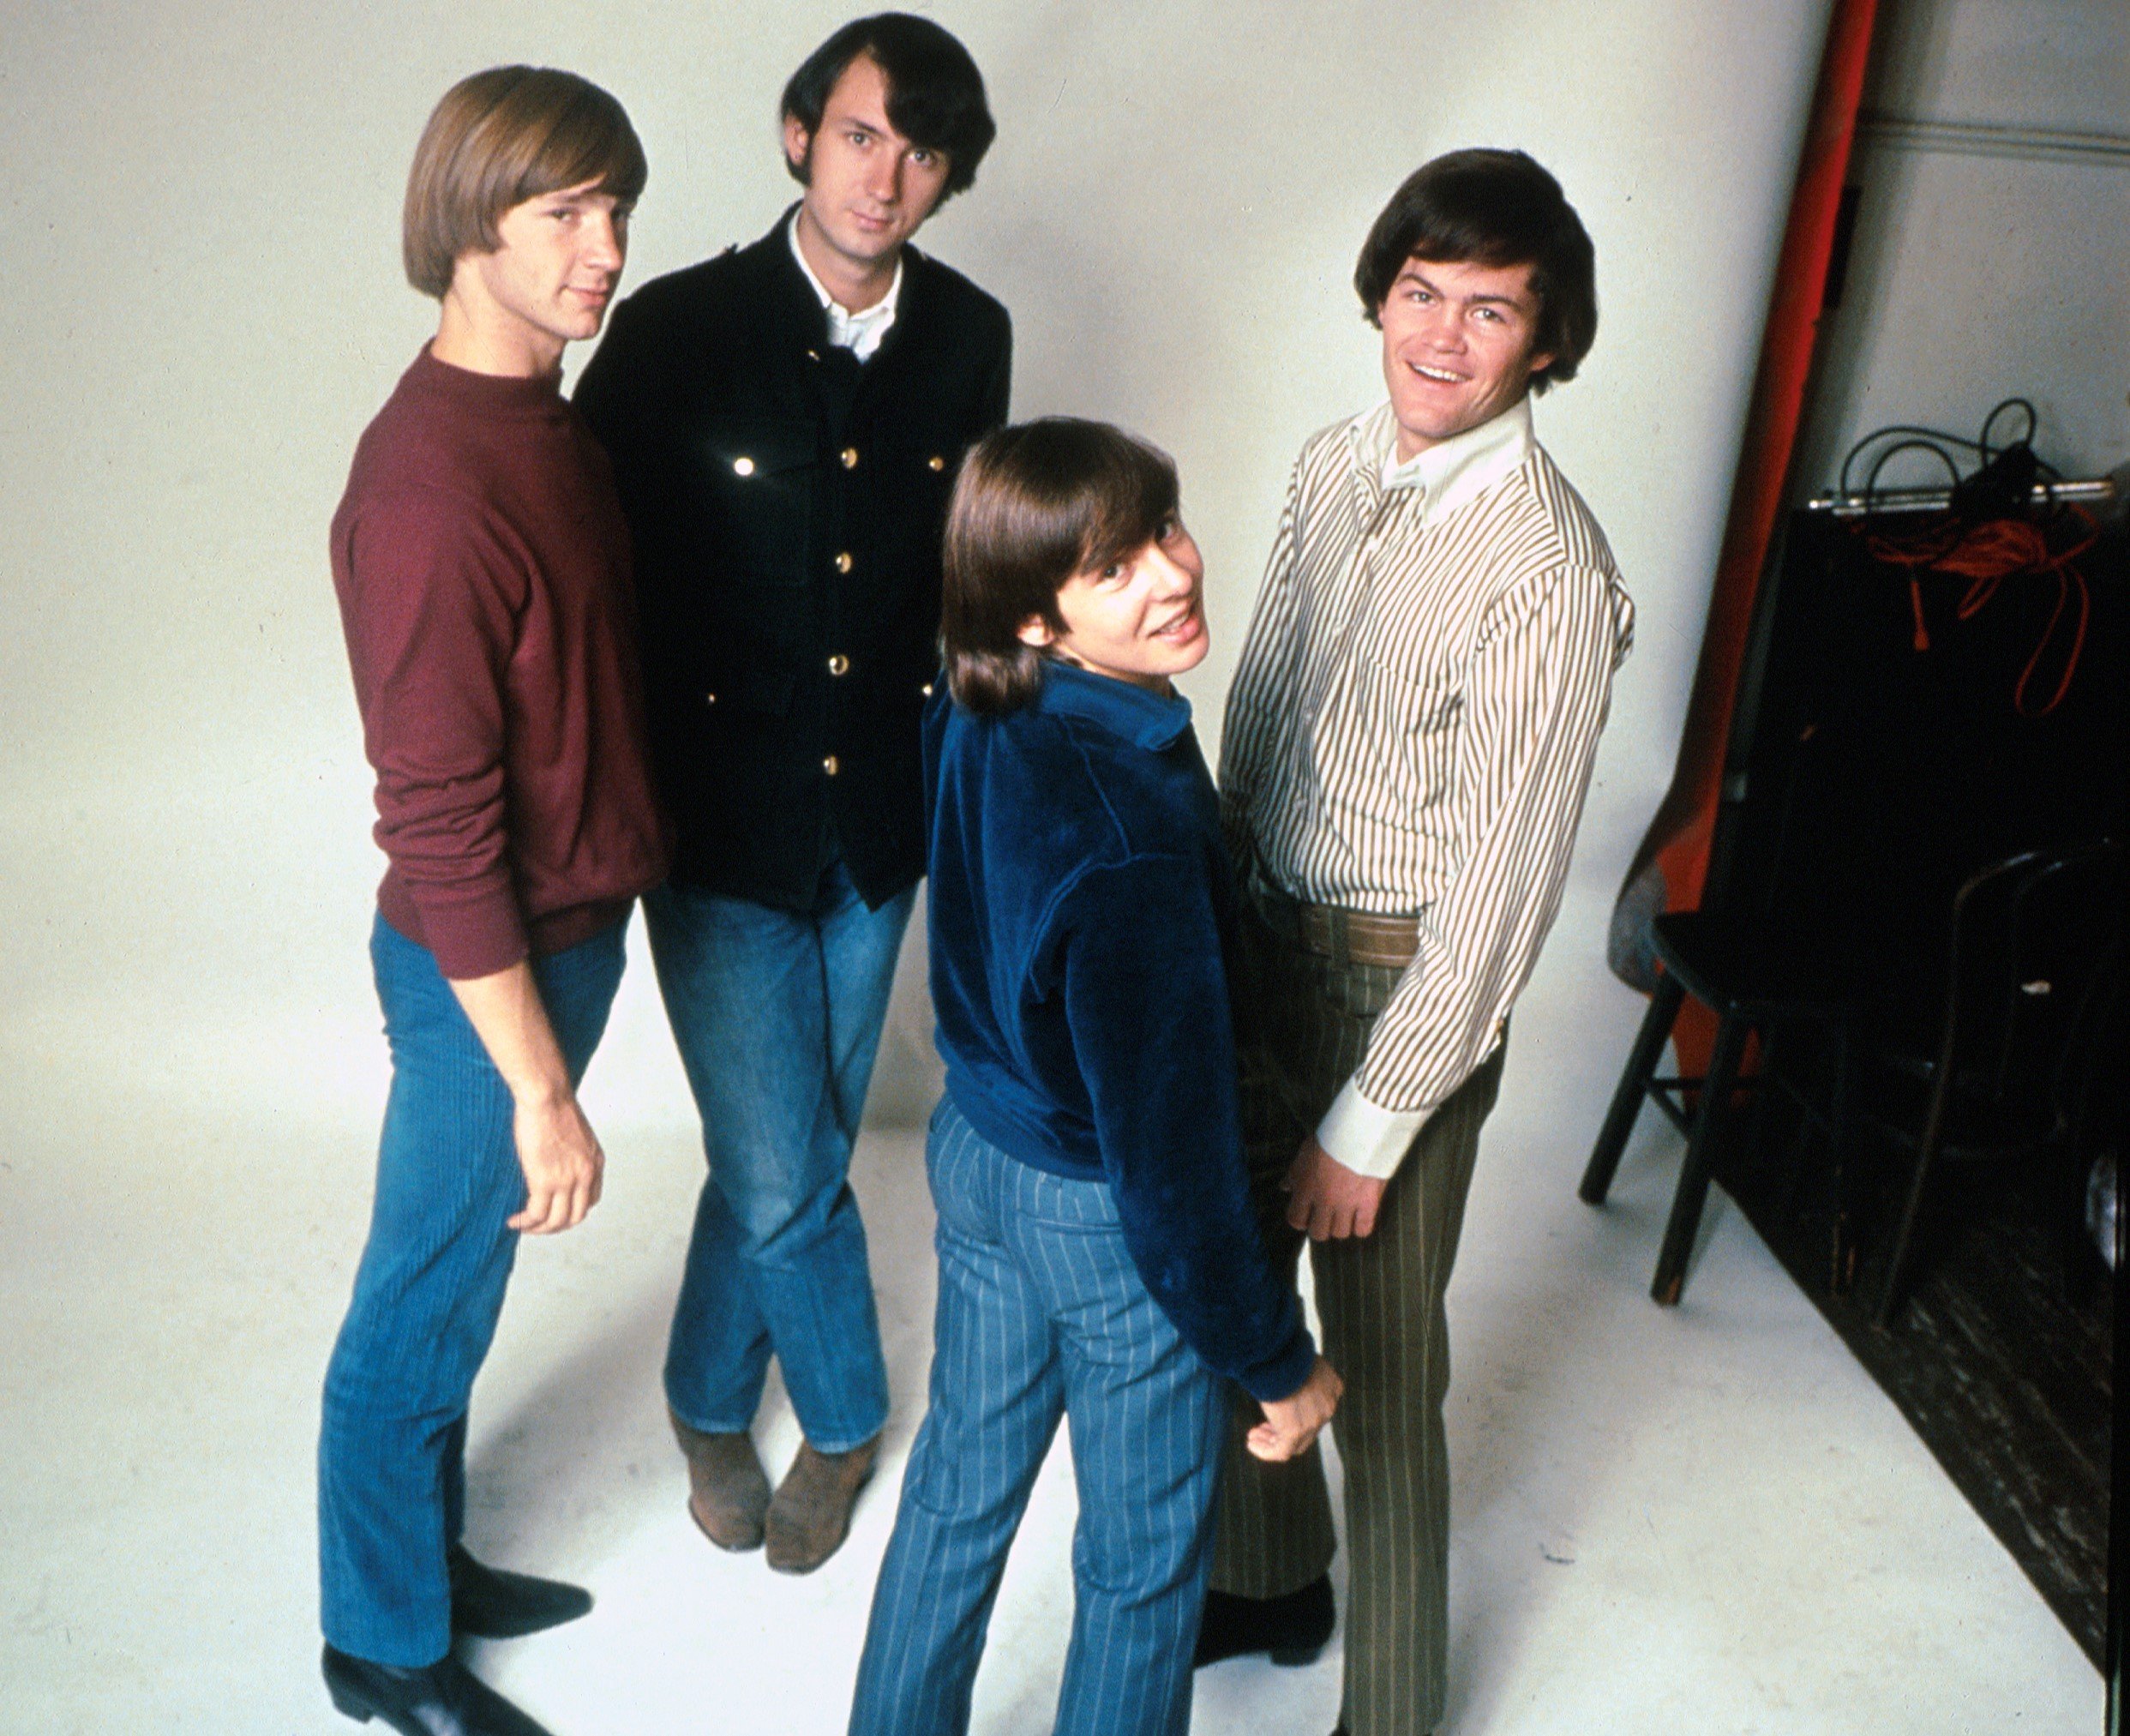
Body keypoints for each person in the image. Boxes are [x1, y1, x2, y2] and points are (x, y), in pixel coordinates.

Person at [1199, 150, 1635, 1736]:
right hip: (1252, 944)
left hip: (1397, 991)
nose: (1442, 338)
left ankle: (1390, 1712)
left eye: (1491, 309)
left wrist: (1372, 1121)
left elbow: (1507, 895)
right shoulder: (1331, 463)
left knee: (1377, 1382)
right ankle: (1265, 1585)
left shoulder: (1550, 572)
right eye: (1419, 293)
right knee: (1231, 1309)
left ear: (1545, 339)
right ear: (1382, 295)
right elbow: (1258, 706)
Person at [573, 13, 1011, 1575]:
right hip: (713, 832)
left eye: (918, 150)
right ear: (795, 136)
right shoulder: (676, 328)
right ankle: (841, 1418)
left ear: (945, 173)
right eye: (858, 134)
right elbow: (588, 574)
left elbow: (968, 579)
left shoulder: (969, 337)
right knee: (786, 1162)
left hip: (878, 825)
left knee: (791, 1147)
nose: (883, 174)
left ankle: (703, 1392)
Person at [846, 419, 1344, 1736]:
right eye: (1113, 568)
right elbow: (1170, 1175)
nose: (1171, 574)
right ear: (1040, 618)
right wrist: (1280, 1362)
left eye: (1162, 532)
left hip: (979, 1150)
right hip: (1095, 1214)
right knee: (1140, 1567)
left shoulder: (974, 699)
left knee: (957, 1490)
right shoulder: (1126, 831)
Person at [317, 67, 665, 1736]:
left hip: (573, 936)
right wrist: (537, 1087)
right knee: (422, 1292)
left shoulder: (545, 419)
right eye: (567, 214)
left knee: (461, 1283)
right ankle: (381, 1638)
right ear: (470, 223)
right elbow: (444, 829)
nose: (607, 250)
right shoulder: (429, 492)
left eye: (617, 208)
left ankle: (426, 1557)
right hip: (488, 970)